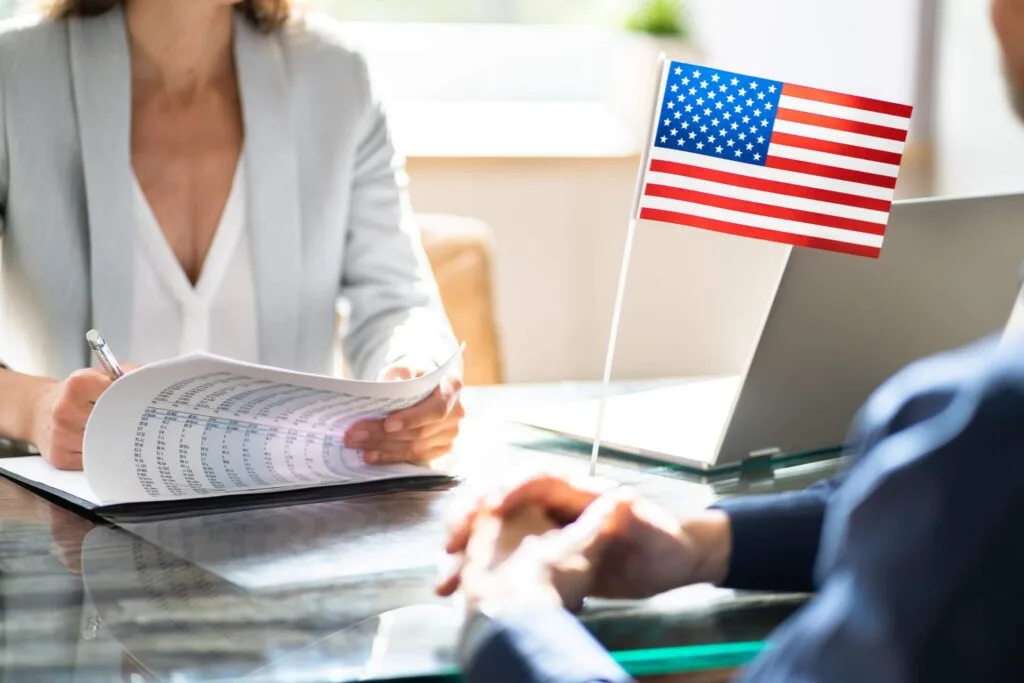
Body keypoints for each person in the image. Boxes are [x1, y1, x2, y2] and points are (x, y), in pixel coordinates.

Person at [437, 1, 1024, 680]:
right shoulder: (977, 453)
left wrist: (512, 621)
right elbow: (961, 517)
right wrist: (704, 541)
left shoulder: (986, 428)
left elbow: (980, 489)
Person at [0, 0, 464, 471]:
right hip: (69, 527)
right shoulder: (12, 76)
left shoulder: (340, 79)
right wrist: (33, 406)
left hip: (295, 519)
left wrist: (414, 374)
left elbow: (399, 302)